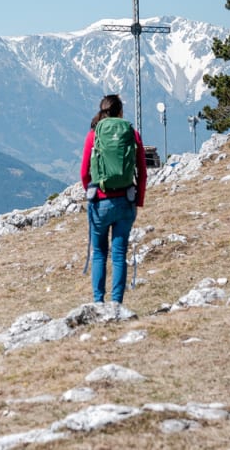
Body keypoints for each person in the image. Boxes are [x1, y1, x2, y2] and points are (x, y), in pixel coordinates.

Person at [80, 93, 147, 304]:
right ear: (120, 112)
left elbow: (84, 172)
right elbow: (143, 171)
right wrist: (138, 200)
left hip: (100, 202)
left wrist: (92, 192)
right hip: (125, 201)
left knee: (99, 253)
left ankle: (98, 302)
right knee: (119, 254)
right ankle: (116, 303)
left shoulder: (93, 135)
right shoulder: (131, 133)